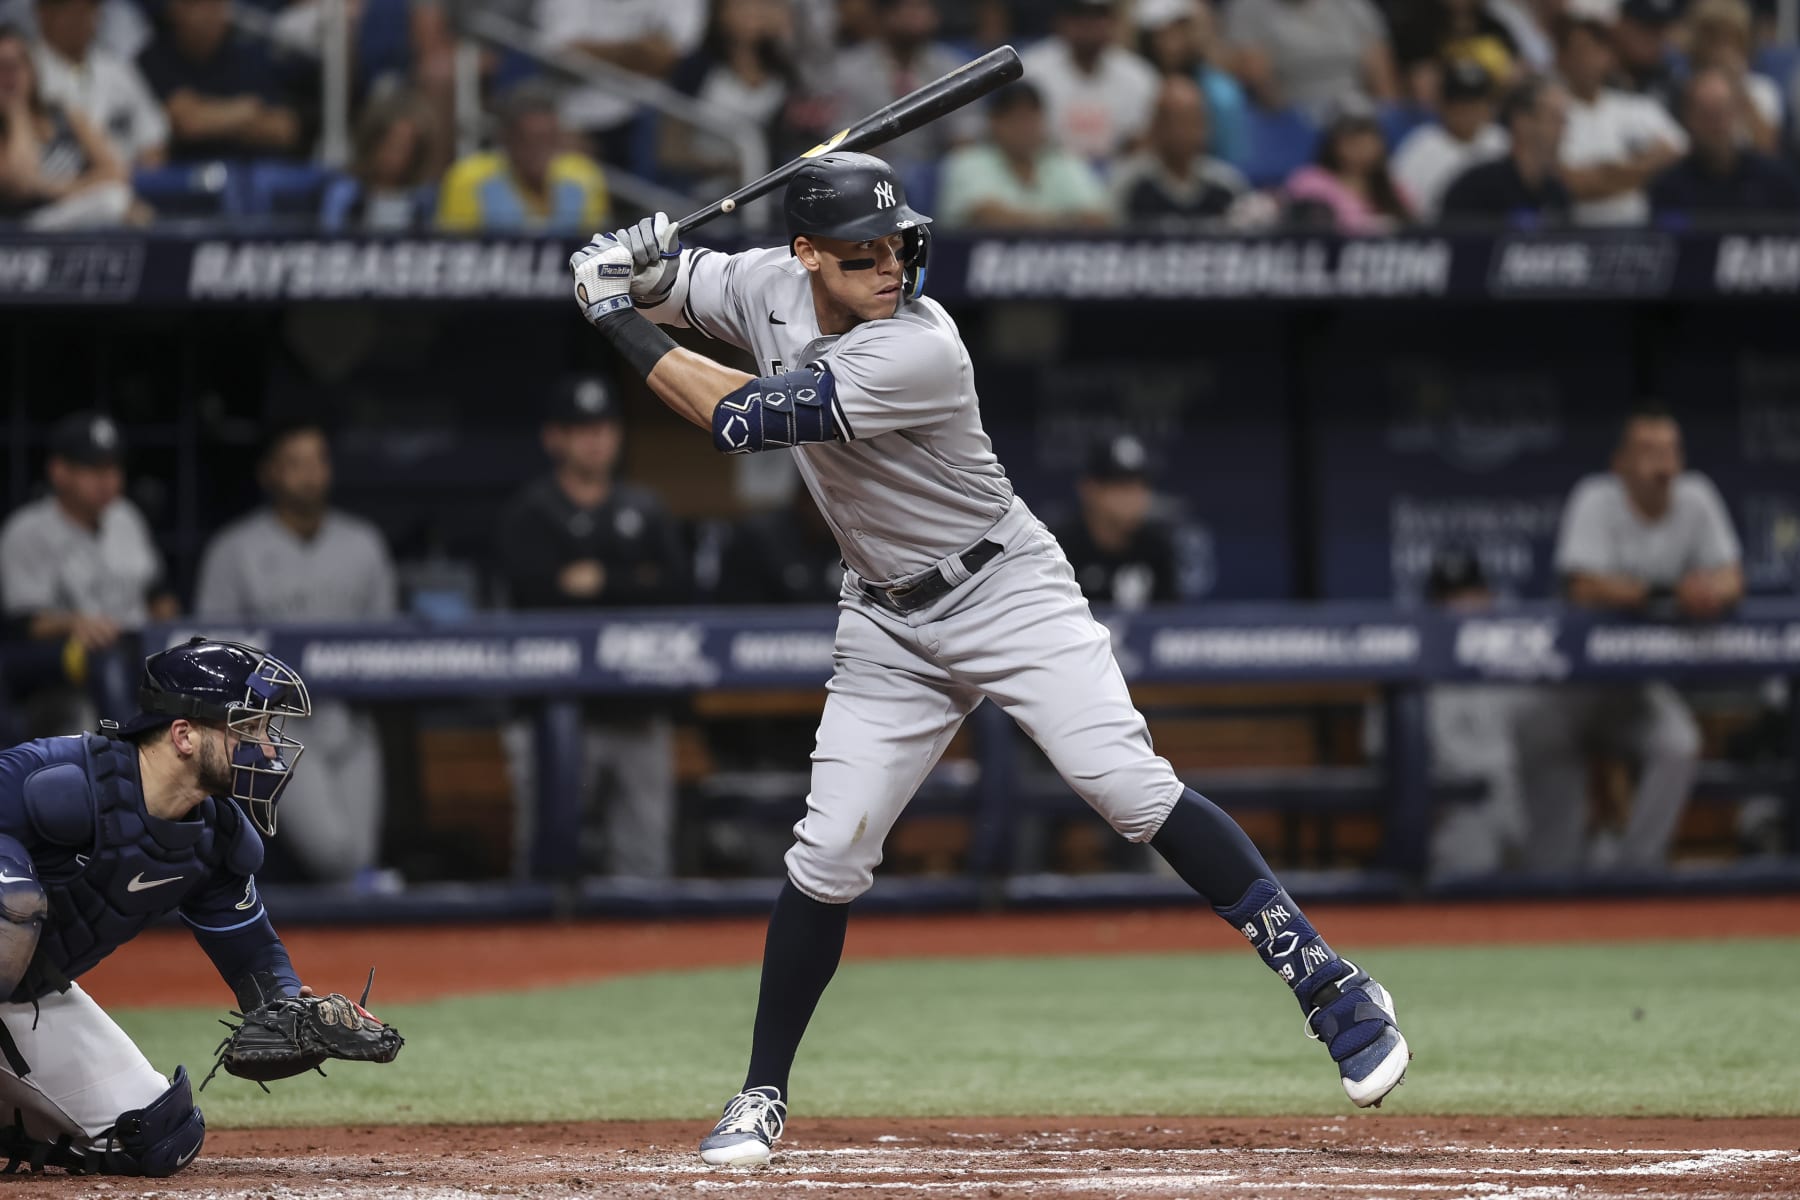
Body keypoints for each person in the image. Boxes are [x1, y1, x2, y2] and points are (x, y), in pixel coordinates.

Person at [570, 151, 1412, 1166]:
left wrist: (610, 309)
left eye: (897, 244)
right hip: (886, 617)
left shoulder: (920, 347)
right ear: (806, 256)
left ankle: (1330, 984)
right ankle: (760, 1092)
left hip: (1005, 589)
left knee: (1128, 789)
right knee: (829, 852)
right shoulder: (765, 281)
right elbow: (682, 284)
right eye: (860, 254)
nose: (889, 266)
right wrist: (639, 259)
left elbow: (737, 417)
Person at [0, 638, 311, 1176]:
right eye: (248, 728)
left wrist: (289, 1007)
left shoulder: (216, 839)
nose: (266, 748)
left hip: (22, 995)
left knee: (155, 1135)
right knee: (10, 899)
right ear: (184, 735)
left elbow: (252, 955)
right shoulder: (59, 781)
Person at [1514, 407, 1740, 873]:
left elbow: (1733, 578)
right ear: (1621, 463)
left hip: (1633, 689)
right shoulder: (1597, 497)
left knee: (1677, 742)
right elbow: (1584, 586)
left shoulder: (1696, 497)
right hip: (1570, 687)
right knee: (1552, 855)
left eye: (1671, 451)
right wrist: (1669, 592)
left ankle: (1635, 871)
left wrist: (1709, 591)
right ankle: (1548, 898)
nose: (1663, 464)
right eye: (1649, 452)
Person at [494, 374, 690, 878]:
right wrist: (630, 580)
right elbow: (535, 595)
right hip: (553, 714)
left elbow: (675, 589)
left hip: (637, 707)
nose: (596, 438)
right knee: (546, 859)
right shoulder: (529, 514)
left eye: (604, 426)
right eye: (581, 428)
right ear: (554, 437)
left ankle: (645, 957)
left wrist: (599, 579)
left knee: (645, 862)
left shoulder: (645, 509)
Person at [193, 423, 397, 886]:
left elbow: (388, 644)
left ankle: (347, 955)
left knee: (359, 859)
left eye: (318, 461)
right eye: (296, 464)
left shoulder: (363, 544)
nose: (310, 475)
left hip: (350, 718)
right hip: (275, 725)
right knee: (335, 855)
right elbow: (210, 656)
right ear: (269, 473)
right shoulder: (234, 549)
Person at [0, 412, 175, 735]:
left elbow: (157, 593)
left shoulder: (126, 517)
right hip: (70, 662)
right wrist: (75, 621)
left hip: (137, 651)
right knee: (104, 660)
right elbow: (23, 623)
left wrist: (170, 630)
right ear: (59, 472)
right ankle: (128, 754)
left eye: (112, 468)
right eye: (93, 469)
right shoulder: (27, 530)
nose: (107, 480)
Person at [1553, 12, 1686, 226]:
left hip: (1642, 231)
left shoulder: (1638, 107)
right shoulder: (1552, 112)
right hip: (1577, 233)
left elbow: (1679, 155)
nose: (1587, 60)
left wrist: (1608, 173)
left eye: (1596, 50)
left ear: (1608, 56)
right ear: (1562, 58)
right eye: (1579, 51)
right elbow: (1571, 184)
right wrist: (1645, 168)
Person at [663, 0, 806, 198]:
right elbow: (670, 149)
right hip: (698, 188)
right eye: (740, 5)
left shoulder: (782, 70)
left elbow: (784, 137)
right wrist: (726, 166)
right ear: (719, 12)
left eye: (759, 5)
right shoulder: (695, 68)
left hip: (761, 187)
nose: (752, 13)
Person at [538, 0, 705, 167]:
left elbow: (670, 58)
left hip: (643, 115)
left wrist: (590, 52)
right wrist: (638, 51)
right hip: (567, 107)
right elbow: (559, 57)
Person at [135, 0, 303, 163]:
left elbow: (285, 130)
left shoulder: (246, 55)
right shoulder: (155, 58)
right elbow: (188, 122)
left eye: (216, 5)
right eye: (198, 5)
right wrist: (245, 111)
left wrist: (216, 119)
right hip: (186, 177)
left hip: (250, 171)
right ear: (176, 10)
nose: (209, 15)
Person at [0, 23, 130, 227]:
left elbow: (116, 172)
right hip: (23, 230)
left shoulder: (65, 114)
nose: (11, 75)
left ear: (32, 68)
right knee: (113, 204)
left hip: (73, 212)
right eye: (2, 66)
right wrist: (16, 113)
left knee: (116, 200)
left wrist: (56, 190)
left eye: (17, 64)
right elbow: (22, 185)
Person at [437, 82, 609, 233]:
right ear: (507, 140)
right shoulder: (468, 178)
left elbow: (596, 253)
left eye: (549, 140)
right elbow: (454, 252)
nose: (540, 151)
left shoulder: (585, 177)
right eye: (529, 140)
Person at [937, 80, 1112, 229]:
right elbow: (986, 215)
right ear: (994, 122)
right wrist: (1063, 221)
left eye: (1031, 117)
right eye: (1015, 118)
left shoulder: (1063, 161)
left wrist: (1033, 221)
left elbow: (1096, 217)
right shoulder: (967, 161)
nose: (1024, 127)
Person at [828, 0, 977, 173]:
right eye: (906, 8)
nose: (915, 16)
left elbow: (968, 129)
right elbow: (843, 134)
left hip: (939, 171)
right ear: (883, 16)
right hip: (870, 171)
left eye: (922, 7)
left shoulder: (951, 65)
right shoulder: (848, 69)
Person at [1650, 68, 1800, 222]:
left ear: (1737, 114)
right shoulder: (1669, 187)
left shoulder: (1777, 180)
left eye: (1723, 112)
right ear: (1687, 118)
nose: (1717, 124)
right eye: (1706, 115)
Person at [1019, 0, 1160, 163]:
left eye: (1098, 15)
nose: (1088, 23)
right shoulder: (1031, 71)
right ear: (1061, 20)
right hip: (1049, 176)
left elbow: (1146, 145)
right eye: (1079, 14)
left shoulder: (1140, 76)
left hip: (1120, 177)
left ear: (1113, 21)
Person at [1051, 434, 1180, 610]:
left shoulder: (1156, 549)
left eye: (1140, 485)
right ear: (1090, 489)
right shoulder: (1058, 548)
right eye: (1122, 486)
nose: (1134, 497)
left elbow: (1169, 622)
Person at [31, 0, 166, 167]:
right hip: (61, 185)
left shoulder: (117, 68)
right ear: (44, 14)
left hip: (127, 182)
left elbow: (153, 137)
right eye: (71, 11)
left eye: (88, 9)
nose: (81, 19)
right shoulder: (27, 70)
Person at [1111, 73, 1249, 226]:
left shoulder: (1227, 185)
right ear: (1155, 126)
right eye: (1176, 121)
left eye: (1194, 121)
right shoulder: (1129, 184)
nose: (1186, 132)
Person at [1224, 0, 1398, 121]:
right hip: (1291, 114)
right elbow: (1260, 79)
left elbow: (1382, 79)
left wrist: (1388, 119)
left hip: (1356, 111)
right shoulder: (1249, 8)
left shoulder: (1352, 5)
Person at [1440, 73, 1572, 224]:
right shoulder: (1475, 189)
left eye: (1564, 120)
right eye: (1553, 118)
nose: (1562, 130)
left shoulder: (1557, 195)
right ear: (1522, 121)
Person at [1392, 58, 1509, 220]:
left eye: (1475, 102)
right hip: (1440, 237)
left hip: (1499, 237)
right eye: (1460, 102)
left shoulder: (1503, 142)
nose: (1468, 111)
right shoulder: (1419, 147)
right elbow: (1400, 208)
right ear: (1443, 104)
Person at [1134, 0, 1247, 165]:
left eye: (1179, 30)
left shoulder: (1221, 93)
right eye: (1161, 33)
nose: (1171, 43)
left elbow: (1230, 161)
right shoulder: (1136, 83)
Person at [1283, 101, 1413, 233]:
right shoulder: (1309, 182)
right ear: (1333, 143)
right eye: (1352, 138)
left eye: (1369, 136)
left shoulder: (1393, 189)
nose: (1363, 145)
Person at [319, 88, 438, 231]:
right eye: (388, 145)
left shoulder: (427, 199)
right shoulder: (345, 194)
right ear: (370, 144)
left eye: (402, 147)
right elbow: (330, 240)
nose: (392, 155)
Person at [1684, 0, 1780, 155]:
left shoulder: (1762, 88)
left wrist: (1739, 88)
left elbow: (1768, 148)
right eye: (1713, 39)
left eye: (1731, 39)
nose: (1722, 49)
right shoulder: (1680, 85)